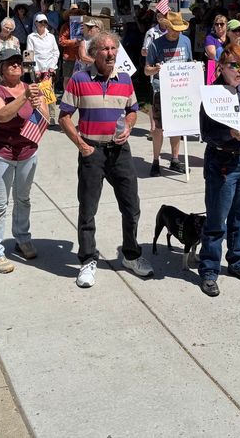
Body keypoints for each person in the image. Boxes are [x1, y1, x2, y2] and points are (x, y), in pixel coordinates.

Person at [58, 31, 152, 287]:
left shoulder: (124, 79)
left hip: (120, 152)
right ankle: (88, 259)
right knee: (88, 210)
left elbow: (132, 111)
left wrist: (130, 126)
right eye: (105, 49)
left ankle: (131, 256)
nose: (110, 53)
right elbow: (64, 116)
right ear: (94, 53)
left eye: (114, 49)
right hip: (92, 151)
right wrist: (81, 144)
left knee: (131, 207)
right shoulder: (79, 79)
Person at [198, 43, 240, 297]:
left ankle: (237, 262)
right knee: (216, 221)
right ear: (221, 67)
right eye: (235, 65)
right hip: (223, 162)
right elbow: (206, 133)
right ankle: (209, 270)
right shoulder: (213, 94)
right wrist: (228, 134)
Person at [0, 48, 46, 274]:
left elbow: (44, 114)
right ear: (1, 68)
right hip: (1, 154)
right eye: (10, 63)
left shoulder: (31, 88)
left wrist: (42, 104)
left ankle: (22, 238)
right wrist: (25, 97)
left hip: (28, 152)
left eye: (18, 62)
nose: (16, 66)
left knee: (23, 199)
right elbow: (1, 115)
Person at [145, 11, 193, 176]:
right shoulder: (155, 44)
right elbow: (146, 70)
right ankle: (156, 161)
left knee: (177, 126)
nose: (176, 32)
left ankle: (175, 159)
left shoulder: (186, 41)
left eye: (179, 29)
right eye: (173, 29)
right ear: (166, 27)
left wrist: (196, 68)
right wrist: (156, 68)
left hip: (180, 90)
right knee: (158, 128)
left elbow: (189, 64)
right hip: (161, 90)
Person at [0, 17, 21, 84]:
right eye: (6, 27)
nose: (8, 30)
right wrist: (2, 70)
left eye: (10, 29)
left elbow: (18, 57)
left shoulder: (15, 40)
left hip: (12, 73)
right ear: (2, 26)